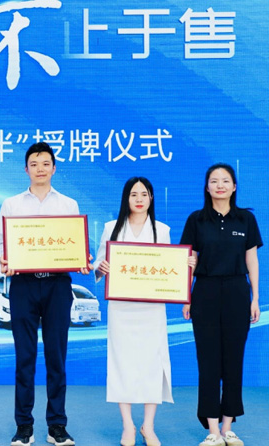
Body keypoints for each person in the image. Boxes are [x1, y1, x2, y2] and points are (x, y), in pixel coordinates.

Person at [0, 142, 92, 446]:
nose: (40, 169)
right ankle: (24, 426)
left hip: (57, 286)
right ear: (26, 169)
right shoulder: (11, 205)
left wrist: (82, 260)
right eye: (34, 164)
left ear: (54, 168)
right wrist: (5, 261)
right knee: (24, 357)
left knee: (56, 357)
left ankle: (57, 426)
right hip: (23, 285)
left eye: (45, 163)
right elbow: (2, 247)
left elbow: (75, 245)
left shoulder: (68, 205)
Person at [94, 177, 195, 446]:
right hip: (121, 307)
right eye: (133, 194)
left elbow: (168, 268)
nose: (139, 199)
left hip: (152, 309)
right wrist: (100, 268)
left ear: (151, 198)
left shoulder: (162, 230)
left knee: (153, 362)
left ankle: (148, 426)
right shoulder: (111, 228)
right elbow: (98, 262)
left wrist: (185, 264)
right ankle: (127, 425)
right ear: (125, 198)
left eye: (144, 194)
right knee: (122, 363)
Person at [180, 163, 262, 446]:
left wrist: (255, 298)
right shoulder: (196, 220)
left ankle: (228, 427)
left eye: (225, 181)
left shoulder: (246, 219)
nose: (220, 185)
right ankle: (212, 430)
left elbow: (252, 260)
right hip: (205, 292)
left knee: (233, 361)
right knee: (208, 362)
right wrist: (186, 297)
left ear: (234, 186)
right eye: (214, 181)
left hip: (237, 292)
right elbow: (189, 261)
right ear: (207, 187)